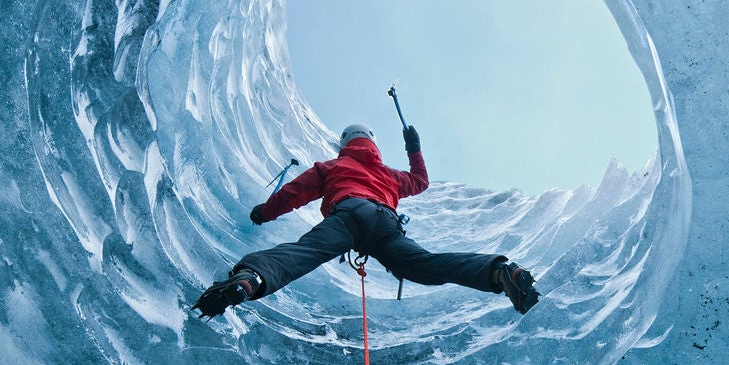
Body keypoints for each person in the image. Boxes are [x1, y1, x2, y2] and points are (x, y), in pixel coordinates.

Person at [193, 121, 542, 318]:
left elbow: (294, 193)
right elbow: (420, 182)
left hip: (349, 214)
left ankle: (250, 279)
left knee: (306, 252)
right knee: (422, 265)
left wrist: (264, 212)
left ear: (344, 144)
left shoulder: (333, 166)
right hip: (386, 222)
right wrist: (414, 146)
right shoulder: (388, 173)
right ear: (373, 145)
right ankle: (499, 271)